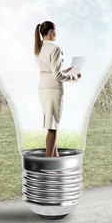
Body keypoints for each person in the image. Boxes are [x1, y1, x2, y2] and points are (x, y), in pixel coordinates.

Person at [33, 21, 81, 157]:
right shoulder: (55, 49)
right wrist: (74, 77)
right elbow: (57, 75)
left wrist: (66, 70)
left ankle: (55, 158)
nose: (56, 34)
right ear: (50, 32)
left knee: (52, 125)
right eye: (55, 31)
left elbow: (50, 70)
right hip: (53, 88)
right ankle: (49, 162)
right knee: (53, 128)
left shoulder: (38, 48)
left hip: (42, 87)